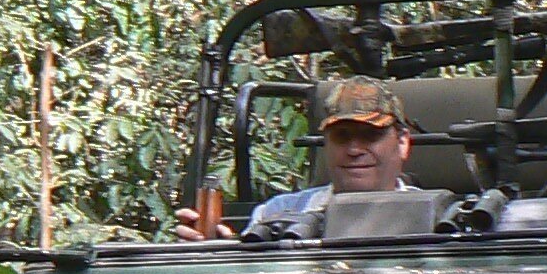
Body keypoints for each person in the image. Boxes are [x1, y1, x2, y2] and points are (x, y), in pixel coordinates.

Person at [178, 77, 418, 239]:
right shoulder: (277, 216)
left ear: (402, 142)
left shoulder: (436, 217)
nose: (354, 149)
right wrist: (214, 255)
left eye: (370, 135)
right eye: (341, 137)